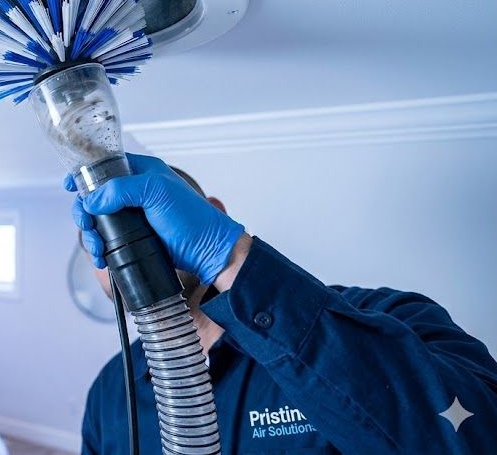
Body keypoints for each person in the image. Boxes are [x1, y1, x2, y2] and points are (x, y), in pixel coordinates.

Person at [69, 153, 497, 454]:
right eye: (101, 247)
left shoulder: (393, 319)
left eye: (143, 220)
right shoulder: (112, 389)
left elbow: (475, 441)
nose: (125, 252)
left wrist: (231, 255)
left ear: (210, 211)